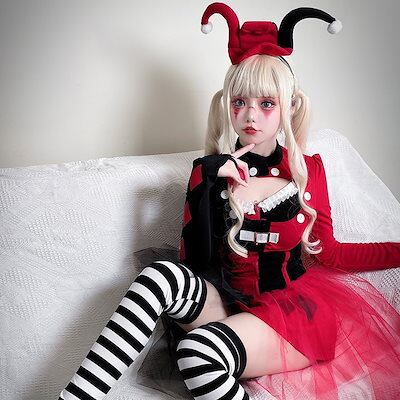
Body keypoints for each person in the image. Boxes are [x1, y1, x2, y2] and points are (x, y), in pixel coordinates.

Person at [59, 4, 400, 400]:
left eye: (266, 103)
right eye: (239, 102)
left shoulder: (307, 171)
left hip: (290, 318)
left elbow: (331, 253)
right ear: (227, 105)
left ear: (289, 106)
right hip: (229, 305)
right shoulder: (210, 170)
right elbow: (195, 260)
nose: (250, 115)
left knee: (196, 352)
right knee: (159, 277)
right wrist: (208, 180)